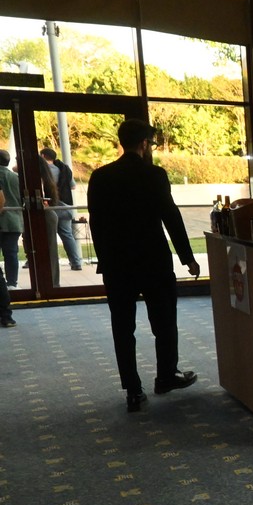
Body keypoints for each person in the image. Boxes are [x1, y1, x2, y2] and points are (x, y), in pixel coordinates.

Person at [87, 119, 200, 413]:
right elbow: (170, 216)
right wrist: (187, 257)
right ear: (143, 144)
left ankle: (133, 391)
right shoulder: (154, 175)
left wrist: (105, 259)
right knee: (164, 322)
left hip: (117, 265)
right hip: (153, 261)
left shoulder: (100, 177)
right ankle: (166, 376)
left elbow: (96, 224)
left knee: (123, 328)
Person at [40, 147, 82, 271]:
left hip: (50, 205)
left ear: (42, 156)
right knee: (67, 235)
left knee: (48, 236)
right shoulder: (64, 168)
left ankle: (49, 264)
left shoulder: (42, 170)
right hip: (66, 205)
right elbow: (73, 186)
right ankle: (76, 262)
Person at [0, 151, 21, 289]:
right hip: (14, 220)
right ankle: (12, 283)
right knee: (11, 253)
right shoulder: (16, 178)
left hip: (2, 218)